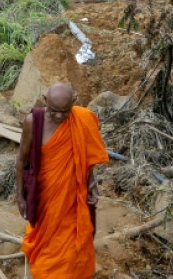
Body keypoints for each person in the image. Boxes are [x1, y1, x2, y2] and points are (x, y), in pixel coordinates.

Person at [18, 83, 109, 279]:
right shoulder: (33, 122)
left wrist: (91, 184)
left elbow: (84, 157)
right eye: (54, 111)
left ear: (74, 102)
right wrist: (20, 197)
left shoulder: (82, 119)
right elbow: (21, 160)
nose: (59, 116)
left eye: (64, 111)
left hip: (73, 197)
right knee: (46, 248)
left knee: (73, 245)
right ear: (45, 101)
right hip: (46, 198)